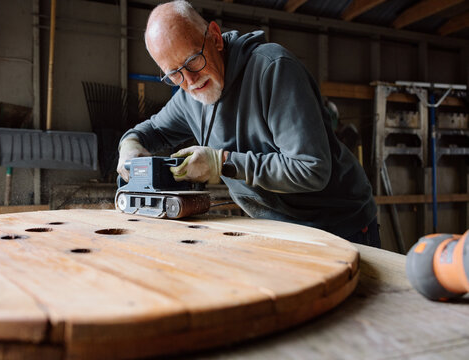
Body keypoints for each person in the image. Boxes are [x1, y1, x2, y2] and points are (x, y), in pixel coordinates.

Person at [117, 0, 380, 247]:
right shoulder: (190, 99)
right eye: (174, 74)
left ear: (215, 38)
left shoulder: (272, 69)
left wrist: (221, 162)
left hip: (339, 228)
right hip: (276, 230)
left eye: (193, 61)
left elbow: (311, 170)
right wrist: (129, 144)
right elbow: (148, 132)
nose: (190, 80)